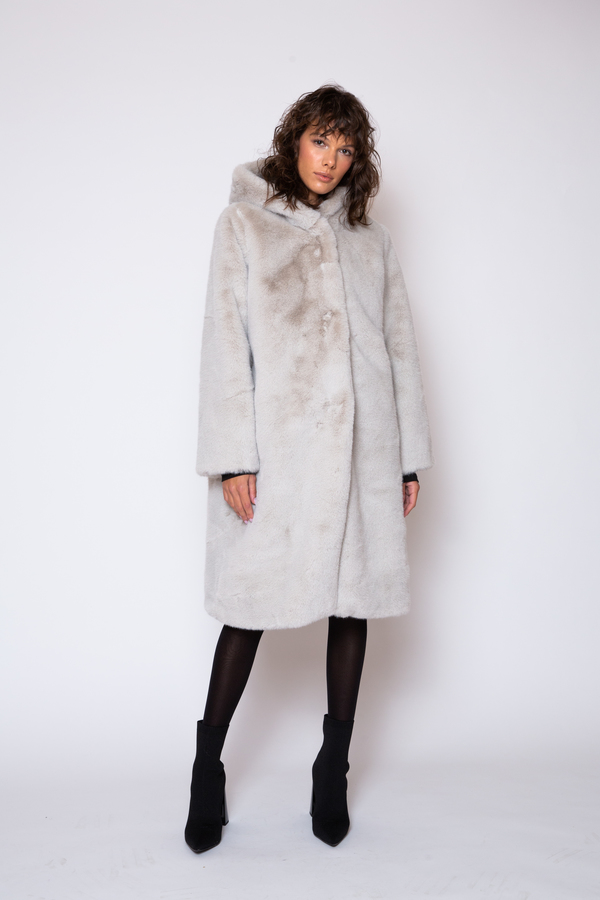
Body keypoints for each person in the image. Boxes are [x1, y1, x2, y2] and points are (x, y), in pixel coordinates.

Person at [185, 84, 433, 853]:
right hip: (279, 454)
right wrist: (232, 458)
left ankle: (333, 767)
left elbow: (399, 348)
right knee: (249, 605)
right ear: (294, 139)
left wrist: (408, 458)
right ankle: (206, 767)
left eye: (346, 147)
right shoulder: (243, 225)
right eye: (321, 140)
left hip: (364, 449)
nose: (331, 159)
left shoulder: (370, 241)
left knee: (353, 603)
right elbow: (225, 344)